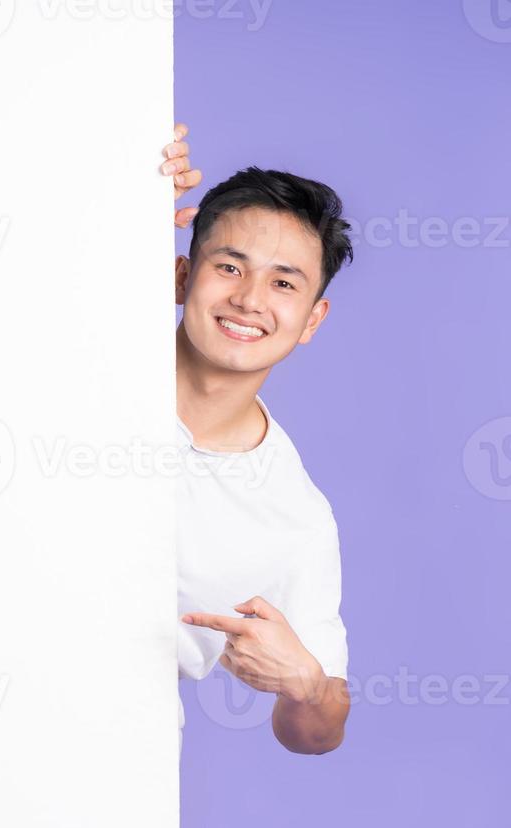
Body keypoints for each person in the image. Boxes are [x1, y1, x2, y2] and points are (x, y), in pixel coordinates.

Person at [163, 124, 355, 755]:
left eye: (283, 283)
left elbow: (317, 732)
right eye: (229, 267)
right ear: (182, 275)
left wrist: (305, 684)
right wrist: (119, 170)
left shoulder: (295, 515)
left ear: (312, 320)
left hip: (113, 769)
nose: (248, 301)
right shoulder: (86, 367)